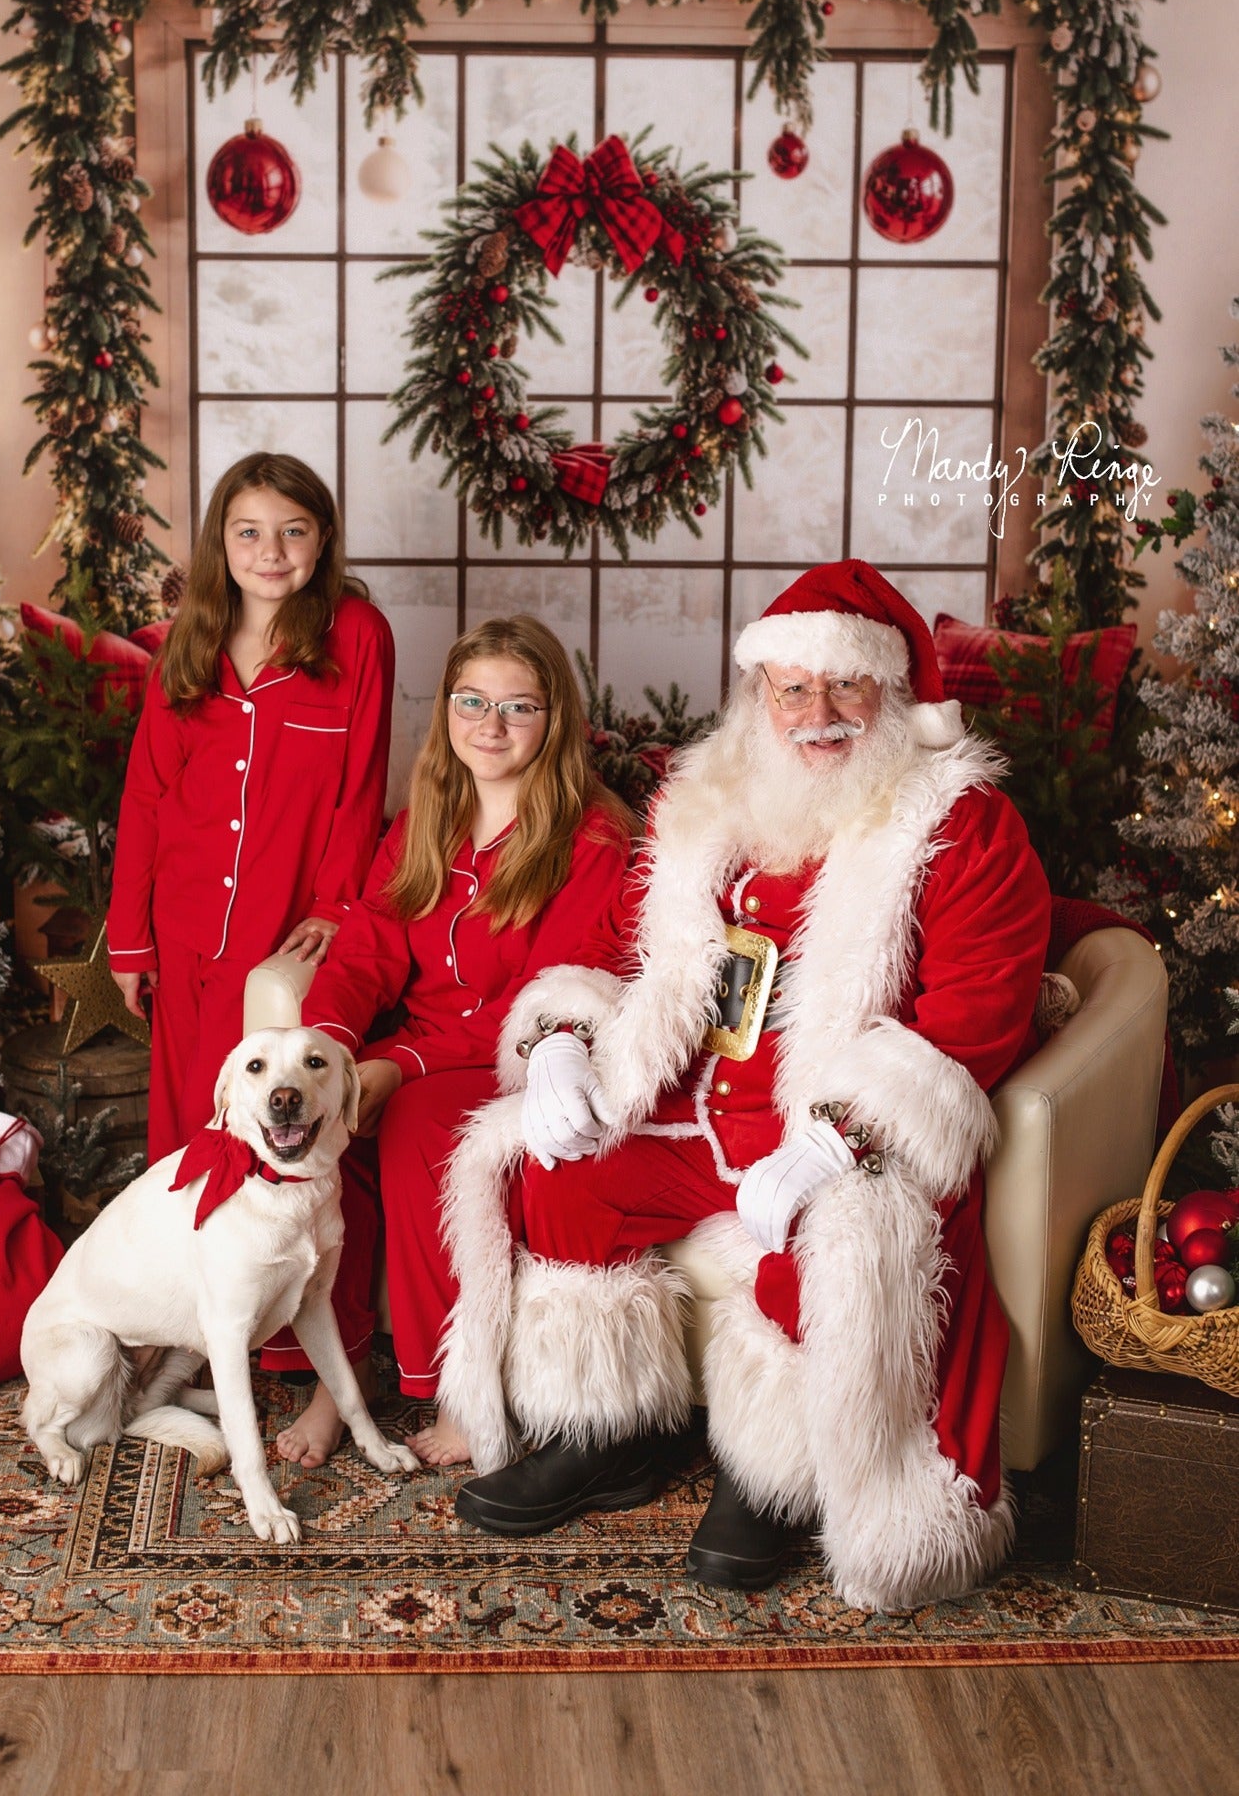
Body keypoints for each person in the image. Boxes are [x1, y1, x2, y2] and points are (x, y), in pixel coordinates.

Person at [438, 560, 1051, 1613]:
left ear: (891, 693)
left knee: (823, 1244)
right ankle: (609, 1431)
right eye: (790, 687)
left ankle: (770, 1475)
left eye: (844, 687)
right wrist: (559, 1045)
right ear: (758, 693)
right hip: (693, 1108)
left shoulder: (958, 824)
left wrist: (835, 1137)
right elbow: (612, 945)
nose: (815, 714)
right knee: (562, 1171)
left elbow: (977, 1010)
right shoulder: (707, 796)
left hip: (819, 1122)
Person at [275, 615, 635, 1472]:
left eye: (518, 707)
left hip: (527, 1062)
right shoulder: (423, 824)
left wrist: (398, 1067)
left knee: (415, 1126)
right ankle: (342, 1375)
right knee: (329, 1136)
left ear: (554, 722)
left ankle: (462, 1392)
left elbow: (554, 996)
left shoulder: (590, 839)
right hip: (419, 1048)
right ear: (445, 712)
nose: (491, 724)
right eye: (471, 702)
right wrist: (326, 1055)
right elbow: (365, 950)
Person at [107, 452, 394, 1169]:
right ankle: (180, 1267)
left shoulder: (357, 635)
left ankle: (256, 1269)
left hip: (276, 930)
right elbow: (146, 795)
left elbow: (360, 788)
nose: (270, 553)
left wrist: (336, 907)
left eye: (292, 531)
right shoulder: (187, 641)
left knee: (256, 1125)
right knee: (181, 1117)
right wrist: (129, 941)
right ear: (220, 543)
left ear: (323, 538)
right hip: (181, 927)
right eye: (248, 533)